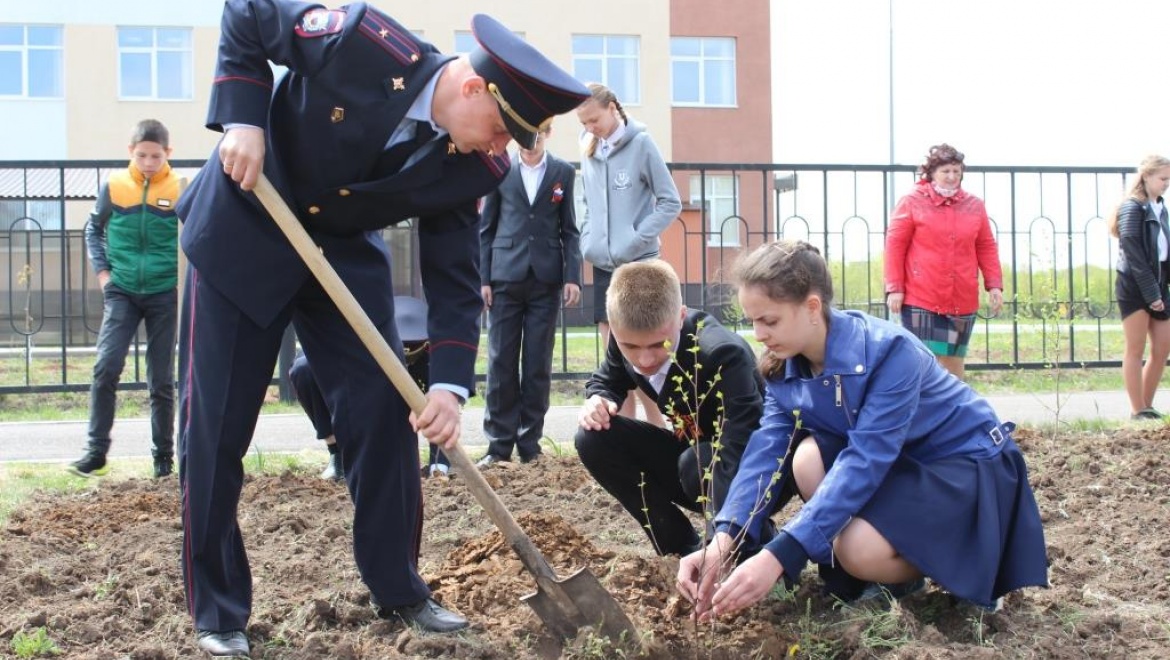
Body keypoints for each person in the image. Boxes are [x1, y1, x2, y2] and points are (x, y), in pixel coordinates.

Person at [174, 2, 589, 656]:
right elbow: (250, 10)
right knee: (217, 426)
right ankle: (219, 611)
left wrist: (449, 387)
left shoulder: (476, 166)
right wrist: (244, 120)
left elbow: (455, 276)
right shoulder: (367, 44)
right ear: (473, 87)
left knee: (392, 407)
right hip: (248, 221)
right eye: (501, 130)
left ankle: (400, 589)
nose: (501, 148)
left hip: (338, 250)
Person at [678, 239, 1048, 620]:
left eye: (769, 320)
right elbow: (765, 452)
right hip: (902, 466)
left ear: (811, 307)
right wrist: (725, 539)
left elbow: (866, 459)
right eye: (751, 320)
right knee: (806, 460)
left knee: (856, 550)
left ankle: (963, 564)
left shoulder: (889, 352)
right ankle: (892, 579)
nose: (758, 334)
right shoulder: (783, 367)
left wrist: (780, 554)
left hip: (961, 469)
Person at [574, 260, 765, 556]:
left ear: (681, 316)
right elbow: (607, 379)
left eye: (657, 345)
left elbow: (738, 446)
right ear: (614, 328)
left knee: (698, 462)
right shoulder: (625, 338)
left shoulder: (723, 355)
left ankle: (750, 543)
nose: (645, 360)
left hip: (753, 473)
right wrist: (597, 399)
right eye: (631, 348)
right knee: (593, 436)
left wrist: (720, 544)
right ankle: (679, 548)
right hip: (693, 463)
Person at [70, 118, 180, 479]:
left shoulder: (179, 187)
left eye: (156, 156)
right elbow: (92, 228)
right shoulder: (114, 186)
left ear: (168, 154)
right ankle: (95, 450)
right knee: (106, 367)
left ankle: (163, 457)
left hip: (163, 291)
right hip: (122, 291)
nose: (149, 162)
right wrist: (103, 273)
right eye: (142, 155)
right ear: (131, 153)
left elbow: (199, 229)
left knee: (161, 379)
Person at [576, 82, 682, 426]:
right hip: (605, 266)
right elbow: (585, 199)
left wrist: (635, 238)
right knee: (619, 360)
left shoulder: (641, 144)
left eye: (594, 119)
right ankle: (625, 432)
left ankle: (658, 429)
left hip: (639, 264)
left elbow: (670, 202)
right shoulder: (588, 146)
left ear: (612, 108)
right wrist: (588, 238)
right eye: (584, 123)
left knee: (646, 359)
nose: (590, 128)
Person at [477, 121, 581, 468]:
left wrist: (572, 277)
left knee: (537, 363)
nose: (527, 144)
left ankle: (530, 443)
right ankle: (498, 444)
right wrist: (485, 279)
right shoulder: (500, 167)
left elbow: (569, 229)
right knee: (500, 361)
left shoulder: (563, 172)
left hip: (545, 280)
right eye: (521, 137)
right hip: (505, 276)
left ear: (547, 134)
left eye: (534, 137)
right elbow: (486, 228)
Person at [288, 297, 448, 482]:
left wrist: (438, 466)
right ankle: (337, 454)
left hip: (403, 413)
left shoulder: (428, 353)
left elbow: (439, 409)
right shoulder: (357, 334)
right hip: (359, 388)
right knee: (304, 370)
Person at [884, 143, 1004, 380]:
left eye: (956, 172)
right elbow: (895, 246)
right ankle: (920, 413)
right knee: (923, 359)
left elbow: (986, 246)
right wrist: (894, 288)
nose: (951, 177)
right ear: (931, 174)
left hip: (961, 297)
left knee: (953, 361)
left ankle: (954, 412)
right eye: (945, 171)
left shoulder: (974, 205)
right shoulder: (911, 201)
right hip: (922, 296)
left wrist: (994, 284)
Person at [1108, 155, 1170, 420]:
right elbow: (1134, 255)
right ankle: (1137, 409)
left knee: (1162, 348)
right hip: (1135, 286)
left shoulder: (1161, 207)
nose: (1167, 184)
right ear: (1146, 177)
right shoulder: (1133, 208)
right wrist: (1151, 294)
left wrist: (1160, 291)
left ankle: (1146, 405)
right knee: (1135, 348)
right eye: (1163, 178)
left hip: (1158, 285)